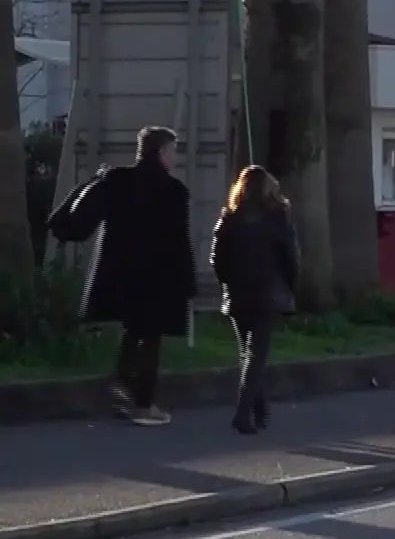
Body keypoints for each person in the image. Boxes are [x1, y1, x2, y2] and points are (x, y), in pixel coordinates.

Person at [73, 126, 197, 426]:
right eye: (172, 151)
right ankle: (144, 404)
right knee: (151, 339)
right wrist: (188, 281)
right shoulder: (173, 191)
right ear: (161, 152)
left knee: (132, 332)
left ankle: (122, 387)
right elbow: (178, 240)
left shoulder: (117, 180)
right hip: (158, 276)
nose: (174, 157)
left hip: (122, 273)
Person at [209, 166, 300, 435]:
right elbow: (290, 257)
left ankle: (259, 409)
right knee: (256, 354)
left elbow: (217, 258)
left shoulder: (229, 218)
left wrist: (226, 283)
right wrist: (289, 286)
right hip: (268, 293)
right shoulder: (278, 218)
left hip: (238, 294)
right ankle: (243, 413)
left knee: (248, 353)